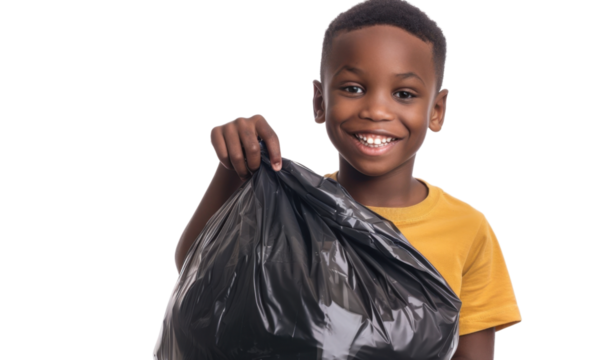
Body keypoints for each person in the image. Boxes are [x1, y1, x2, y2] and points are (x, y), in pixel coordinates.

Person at [174, 1, 522, 359]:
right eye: (353, 88)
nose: (376, 110)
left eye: (404, 94)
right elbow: (197, 269)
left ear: (436, 110)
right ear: (319, 102)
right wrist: (233, 167)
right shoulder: (290, 210)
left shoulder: (467, 228)